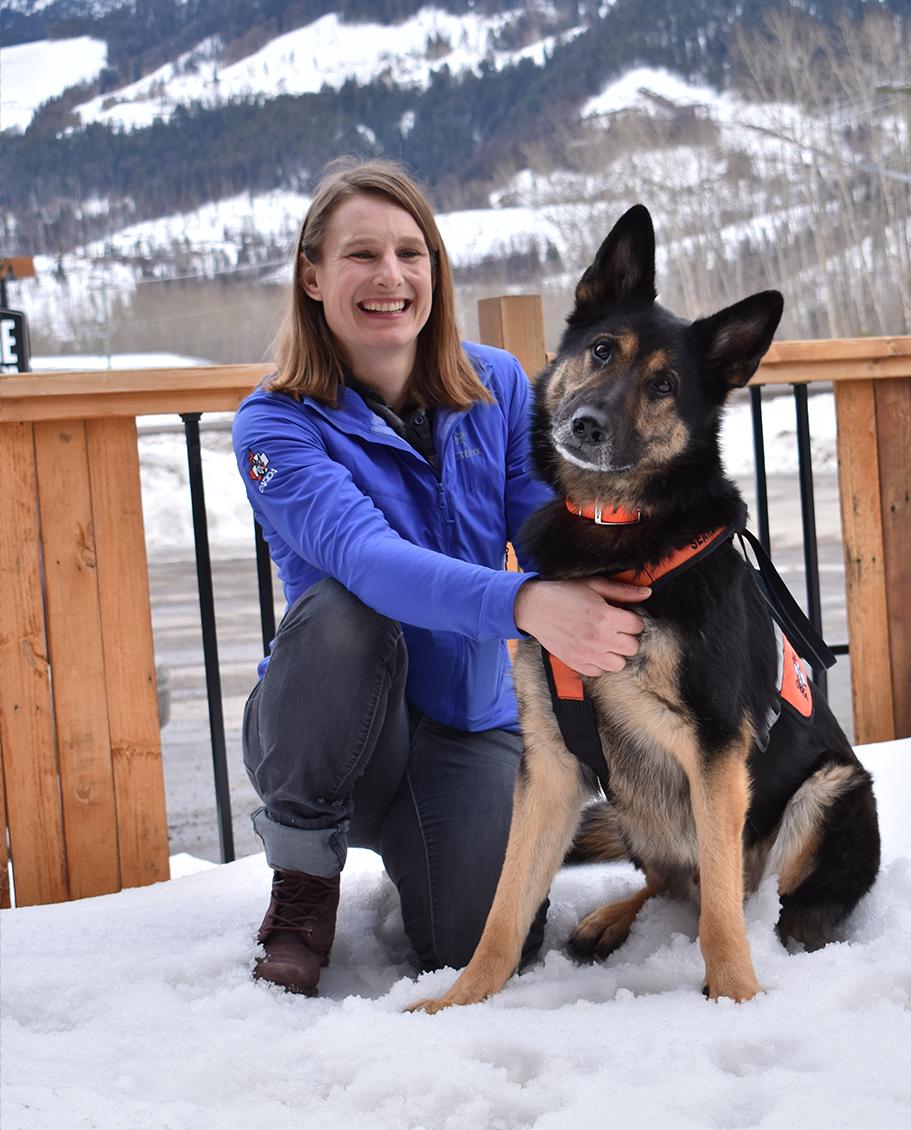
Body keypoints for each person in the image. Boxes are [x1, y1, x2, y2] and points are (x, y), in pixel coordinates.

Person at [232, 157, 650, 995]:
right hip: (340, 727)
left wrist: (637, 566)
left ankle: (491, 837)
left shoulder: (495, 383)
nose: (390, 276)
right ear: (312, 277)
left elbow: (547, 536)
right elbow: (372, 562)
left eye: (409, 252)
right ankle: (304, 884)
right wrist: (528, 605)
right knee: (346, 610)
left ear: (434, 270)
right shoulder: (274, 423)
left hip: (469, 723)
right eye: (361, 255)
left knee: (484, 950)